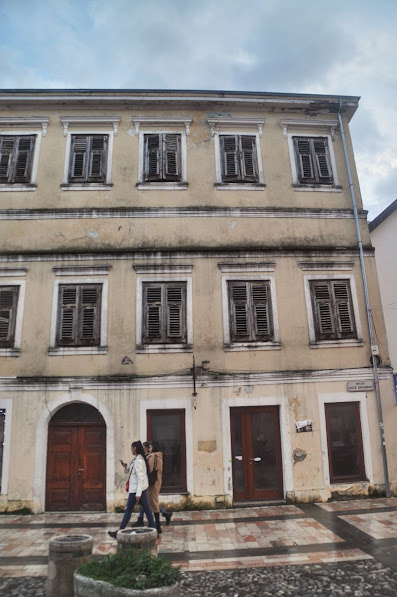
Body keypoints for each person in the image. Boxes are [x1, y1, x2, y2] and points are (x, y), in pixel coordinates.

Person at [108, 440, 156, 539]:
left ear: (135, 448)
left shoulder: (138, 461)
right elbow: (130, 471)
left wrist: (138, 493)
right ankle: (153, 527)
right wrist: (126, 467)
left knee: (129, 510)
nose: (131, 450)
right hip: (139, 490)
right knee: (146, 509)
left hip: (136, 491)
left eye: (131, 448)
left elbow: (140, 478)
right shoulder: (137, 460)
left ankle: (119, 532)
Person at [133, 441, 173, 530]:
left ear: (153, 448)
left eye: (150, 447)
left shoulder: (152, 457)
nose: (149, 449)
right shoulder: (159, 457)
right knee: (149, 502)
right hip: (156, 482)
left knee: (151, 502)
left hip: (151, 483)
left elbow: (148, 470)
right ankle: (155, 521)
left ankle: (157, 525)